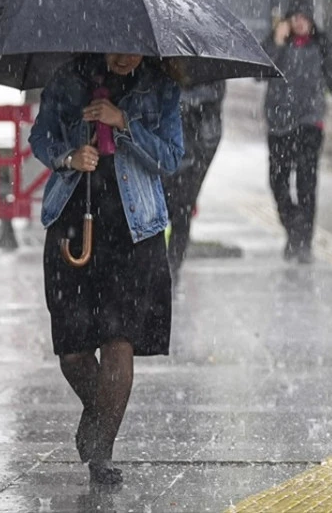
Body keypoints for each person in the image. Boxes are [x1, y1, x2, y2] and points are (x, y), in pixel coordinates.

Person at [29, 52, 184, 486]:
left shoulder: (161, 87)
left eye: (132, 47)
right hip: (73, 224)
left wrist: (124, 123)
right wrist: (68, 157)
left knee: (120, 340)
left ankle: (101, 451)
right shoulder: (67, 78)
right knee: (73, 347)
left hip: (135, 231)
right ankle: (98, 418)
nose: (122, 56)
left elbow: (171, 158)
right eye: (114, 45)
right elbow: (40, 138)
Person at [263, 0, 332, 263]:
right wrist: (277, 43)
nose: (300, 23)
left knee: (307, 184)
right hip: (279, 124)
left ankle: (303, 242)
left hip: (309, 124)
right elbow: (260, 74)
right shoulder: (277, 43)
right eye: (295, 18)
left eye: (304, 18)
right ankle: (293, 227)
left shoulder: (322, 45)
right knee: (277, 182)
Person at [163, 80, 226, 279]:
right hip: (165, 150)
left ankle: (173, 267)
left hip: (194, 152)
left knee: (182, 211)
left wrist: (187, 101)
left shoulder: (210, 67)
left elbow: (215, 95)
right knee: (161, 209)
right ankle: (163, 266)